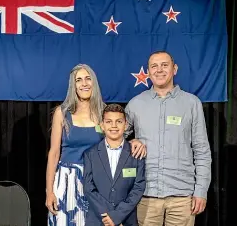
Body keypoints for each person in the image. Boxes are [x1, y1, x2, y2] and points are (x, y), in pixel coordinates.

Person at [46, 64, 146, 226]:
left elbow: (117, 138)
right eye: (79, 80)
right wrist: (49, 191)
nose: (84, 83)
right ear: (74, 85)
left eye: (88, 78)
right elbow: (54, 153)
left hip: (98, 184)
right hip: (67, 181)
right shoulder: (62, 112)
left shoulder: (104, 112)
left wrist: (134, 141)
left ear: (94, 82)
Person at [125, 51, 212, 226]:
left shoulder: (191, 103)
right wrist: (130, 142)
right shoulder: (135, 103)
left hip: (182, 197)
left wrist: (201, 191)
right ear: (148, 72)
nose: (159, 70)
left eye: (164, 65)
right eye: (154, 66)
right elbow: (112, 141)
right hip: (146, 195)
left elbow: (202, 150)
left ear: (175, 69)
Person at [83, 104, 146, 226]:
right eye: (108, 121)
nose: (114, 126)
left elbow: (138, 187)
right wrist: (109, 215)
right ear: (102, 125)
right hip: (99, 220)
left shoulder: (136, 154)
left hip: (126, 220)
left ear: (126, 125)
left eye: (119, 121)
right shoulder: (90, 154)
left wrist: (118, 215)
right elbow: (88, 188)